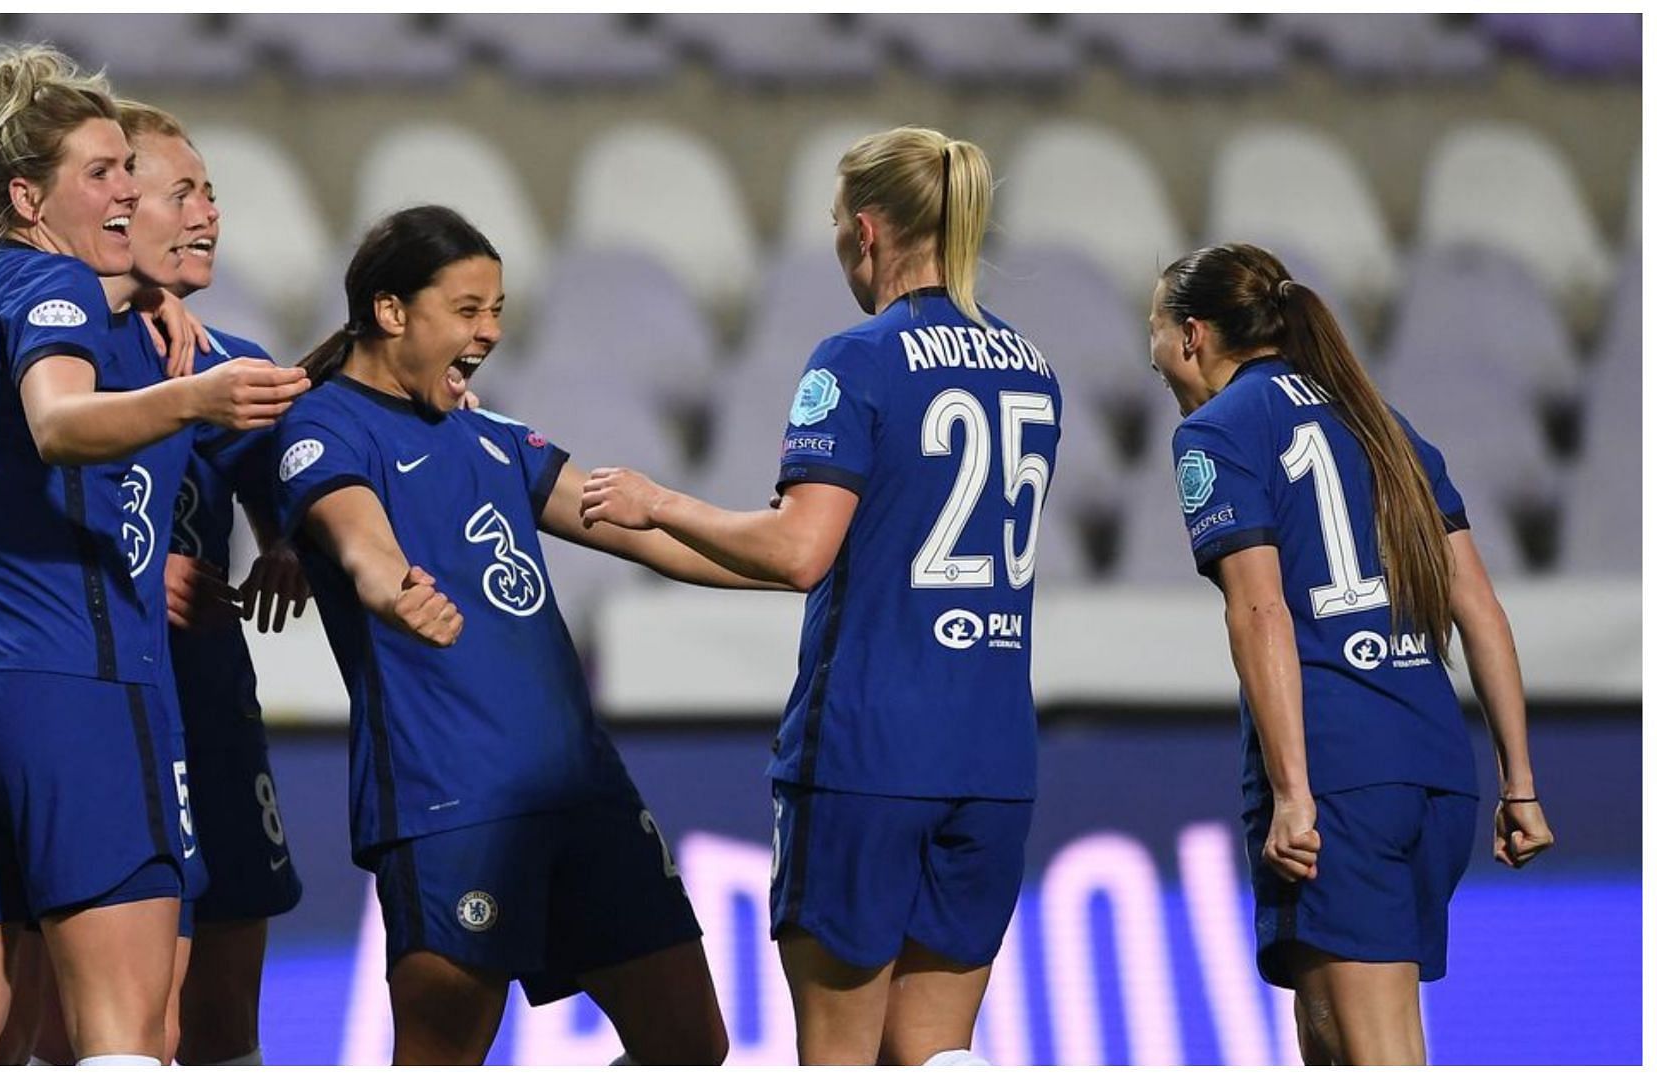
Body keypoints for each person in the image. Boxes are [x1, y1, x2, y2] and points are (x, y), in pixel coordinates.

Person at [0, 44, 305, 1067]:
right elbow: (60, 421)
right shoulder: (70, 300)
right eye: (118, 177)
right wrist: (193, 392)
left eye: (148, 184)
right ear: (30, 195)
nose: (141, 201)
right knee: (133, 1036)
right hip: (77, 682)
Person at [579, 126, 1057, 1066]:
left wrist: (659, 501)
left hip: (868, 755)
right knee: (935, 1056)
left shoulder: (856, 357)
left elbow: (799, 552)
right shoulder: (1033, 368)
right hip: (993, 751)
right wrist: (665, 540)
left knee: (837, 1057)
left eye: (839, 223)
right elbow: (850, 557)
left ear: (867, 233)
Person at [274, 205, 758, 1065]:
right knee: (442, 1055)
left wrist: (793, 559)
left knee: (688, 1044)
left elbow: (641, 532)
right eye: (468, 309)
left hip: (583, 789)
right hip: (452, 798)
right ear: (392, 311)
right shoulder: (325, 427)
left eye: (497, 309)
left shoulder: (496, 438)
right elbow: (358, 541)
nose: (490, 331)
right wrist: (396, 589)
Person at [1144, 242, 1555, 1064]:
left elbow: (1260, 611)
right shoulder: (1379, 420)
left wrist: (1294, 792)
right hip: (1435, 765)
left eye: (1152, 331)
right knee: (1331, 1037)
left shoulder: (1217, 433)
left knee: (1376, 1053)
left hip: (1339, 772)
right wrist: (1521, 783)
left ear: (1193, 336)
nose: (1151, 357)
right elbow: (1478, 606)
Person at [10, 99, 308, 1069]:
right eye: (183, 193)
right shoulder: (50, 344)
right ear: (118, 204)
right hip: (85, 714)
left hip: (209, 706)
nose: (209, 214)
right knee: (87, 1031)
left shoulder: (231, 362)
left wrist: (287, 546)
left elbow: (299, 493)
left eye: (211, 193)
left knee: (224, 1031)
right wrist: (133, 569)